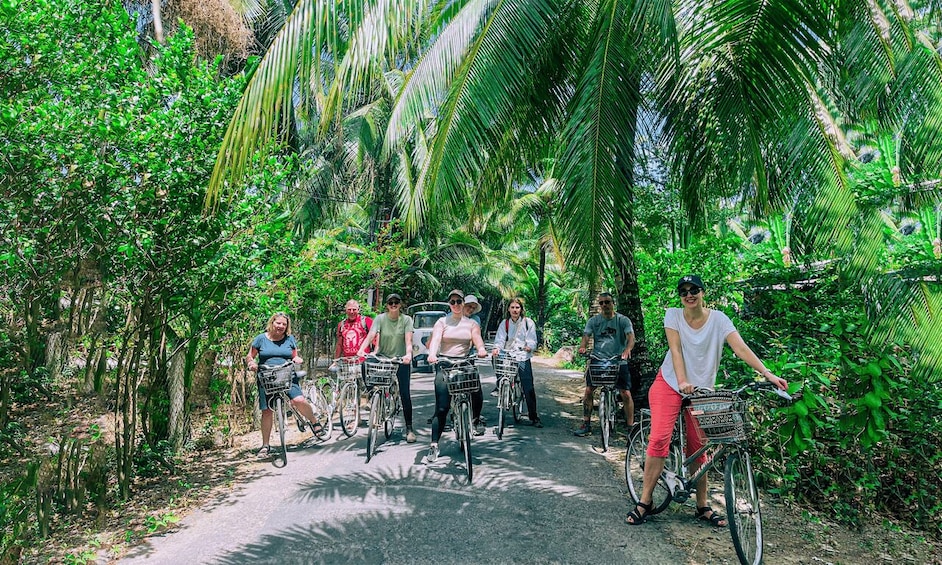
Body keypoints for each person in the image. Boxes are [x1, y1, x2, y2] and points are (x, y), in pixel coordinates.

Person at [626, 275, 788, 526]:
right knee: (659, 439)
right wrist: (681, 382)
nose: (689, 295)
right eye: (684, 292)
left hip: (701, 390)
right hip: (669, 383)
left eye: (694, 290)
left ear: (703, 292)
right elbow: (676, 349)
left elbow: (740, 348)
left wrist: (768, 374)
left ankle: (702, 505)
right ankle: (645, 501)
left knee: (699, 448)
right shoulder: (674, 315)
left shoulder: (719, 320)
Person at [425, 289, 489, 462]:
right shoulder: (441, 322)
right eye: (452, 302)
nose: (455, 305)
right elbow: (436, 339)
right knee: (442, 407)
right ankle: (434, 445)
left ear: (463, 303)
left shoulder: (471, 323)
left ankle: (474, 420)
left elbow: (477, 339)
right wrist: (432, 354)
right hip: (445, 362)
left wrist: (482, 349)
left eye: (458, 301)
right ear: (449, 304)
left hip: (465, 361)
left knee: (477, 391)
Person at [246, 312, 321, 457]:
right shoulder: (261, 339)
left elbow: (294, 355)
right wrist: (251, 363)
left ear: (287, 327)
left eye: (284, 324)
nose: (280, 326)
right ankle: (266, 445)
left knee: (297, 400)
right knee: (267, 411)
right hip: (266, 377)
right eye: (278, 323)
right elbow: (250, 355)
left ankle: (314, 421)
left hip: (287, 375)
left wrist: (298, 359)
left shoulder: (289, 339)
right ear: (272, 323)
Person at [356, 293, 417, 443]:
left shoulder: (406, 320)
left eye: (396, 302)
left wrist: (408, 354)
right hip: (383, 356)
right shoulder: (380, 318)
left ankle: (409, 428)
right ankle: (372, 396)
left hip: (400, 359)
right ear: (387, 305)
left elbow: (409, 340)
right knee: (365, 365)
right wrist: (362, 349)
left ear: (400, 304)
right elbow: (370, 335)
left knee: (404, 393)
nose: (393, 304)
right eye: (391, 302)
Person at [574, 292, 636, 436]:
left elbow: (630, 337)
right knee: (589, 390)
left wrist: (627, 349)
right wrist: (582, 347)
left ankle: (630, 426)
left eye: (607, 302)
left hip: (618, 360)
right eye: (601, 303)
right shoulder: (594, 321)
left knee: (625, 393)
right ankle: (586, 423)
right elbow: (586, 335)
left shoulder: (622, 320)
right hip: (598, 359)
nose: (604, 305)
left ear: (613, 303)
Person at [491, 297, 541, 427]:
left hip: (522, 355)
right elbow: (500, 339)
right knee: (495, 360)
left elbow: (532, 339)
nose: (515, 310)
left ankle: (533, 416)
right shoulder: (505, 323)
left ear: (521, 309)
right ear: (508, 309)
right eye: (512, 307)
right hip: (508, 355)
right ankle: (499, 384)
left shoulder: (527, 323)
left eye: (517, 307)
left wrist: (529, 346)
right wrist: (497, 348)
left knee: (528, 387)